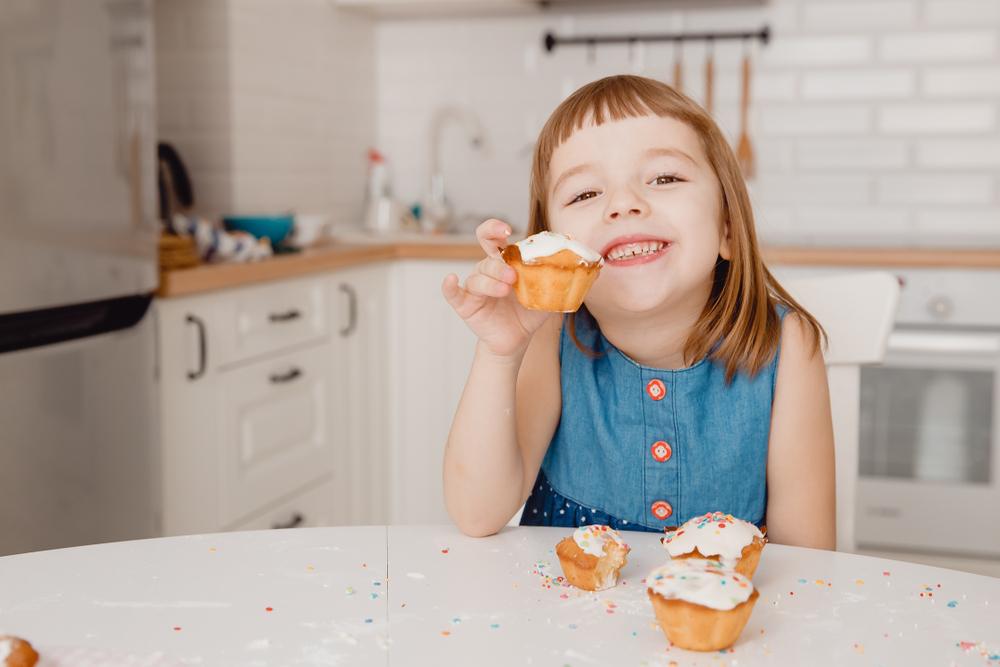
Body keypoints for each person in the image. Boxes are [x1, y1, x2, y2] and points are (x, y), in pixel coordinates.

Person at [441, 74, 835, 549]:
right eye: (585, 193)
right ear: (556, 251)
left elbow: (808, 564)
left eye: (664, 178)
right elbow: (476, 513)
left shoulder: (790, 346)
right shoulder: (551, 334)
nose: (624, 205)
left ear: (727, 227)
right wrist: (499, 353)